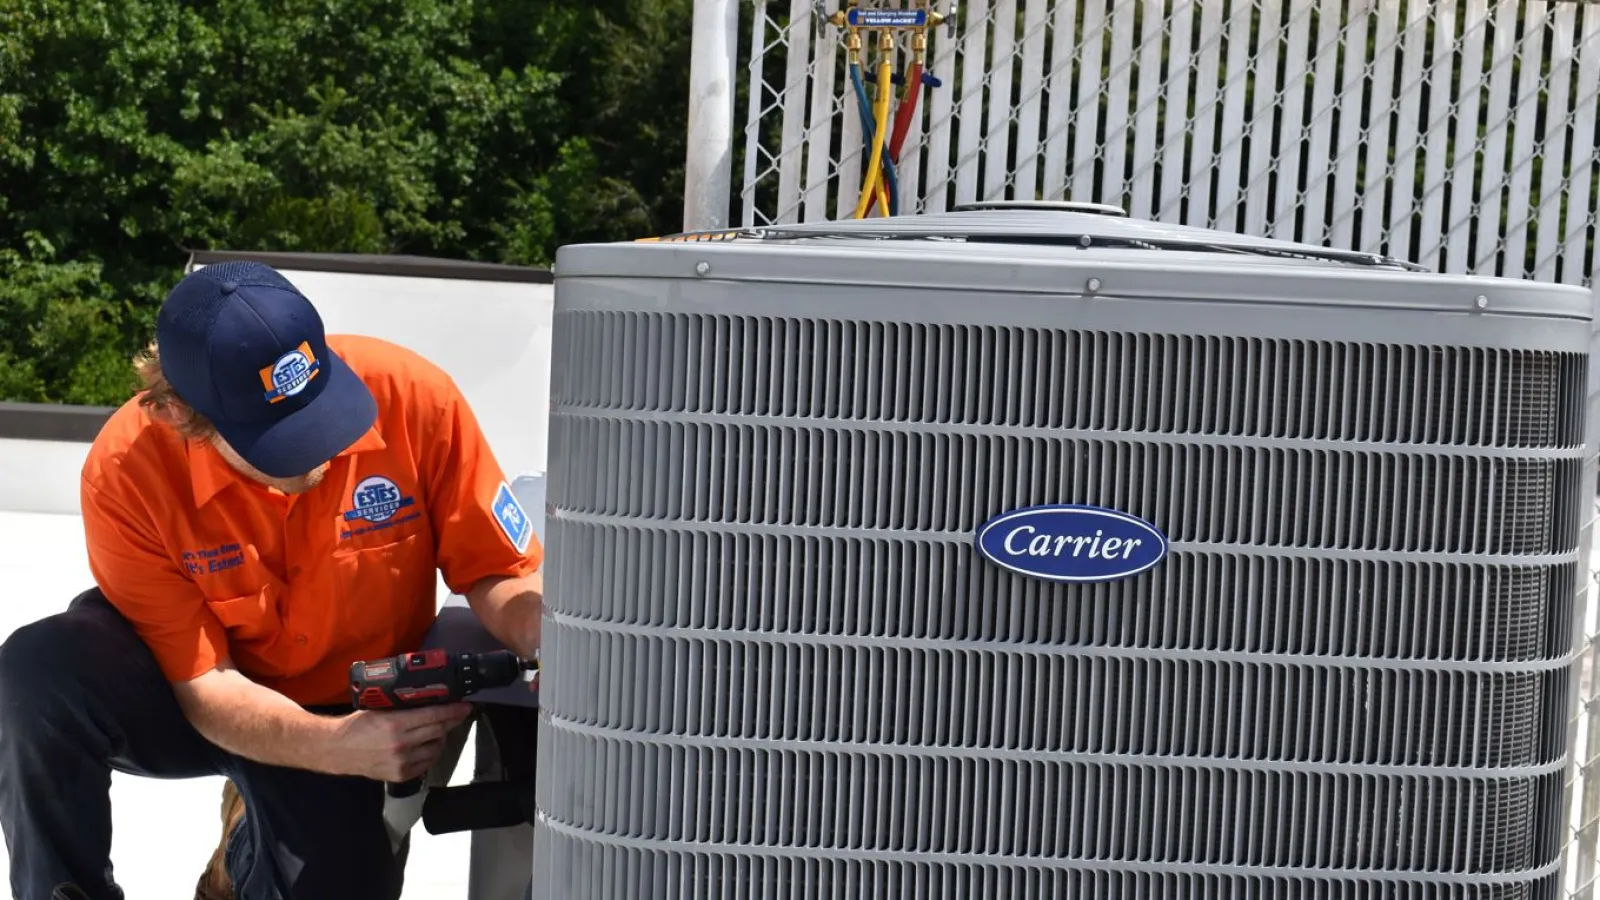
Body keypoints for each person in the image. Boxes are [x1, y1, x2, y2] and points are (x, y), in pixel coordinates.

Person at [0, 261, 546, 900]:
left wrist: (546, 634)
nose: (317, 453)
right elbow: (206, 685)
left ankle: (244, 845)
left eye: (322, 414)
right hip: (198, 693)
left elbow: (498, 570)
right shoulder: (126, 474)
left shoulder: (416, 400)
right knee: (36, 674)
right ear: (177, 413)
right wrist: (334, 747)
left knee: (341, 882)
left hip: (349, 705)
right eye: (276, 441)